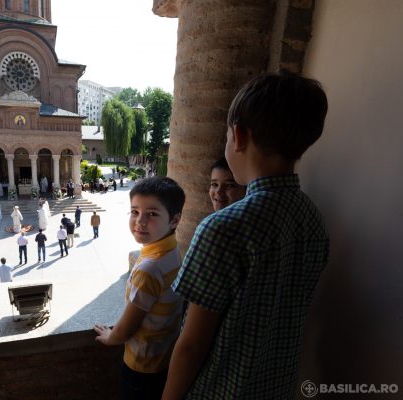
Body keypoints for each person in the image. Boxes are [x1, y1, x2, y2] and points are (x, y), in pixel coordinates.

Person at [163, 73, 330, 399]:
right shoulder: (312, 217)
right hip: (277, 388)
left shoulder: (221, 229)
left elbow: (191, 345)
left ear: (238, 136)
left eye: (227, 135)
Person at [93, 176, 186, 400]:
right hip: (164, 358)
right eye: (135, 211)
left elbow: (126, 328)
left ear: (174, 220)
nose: (140, 221)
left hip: (141, 367)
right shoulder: (173, 251)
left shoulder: (149, 269)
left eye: (152, 214)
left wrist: (110, 337)